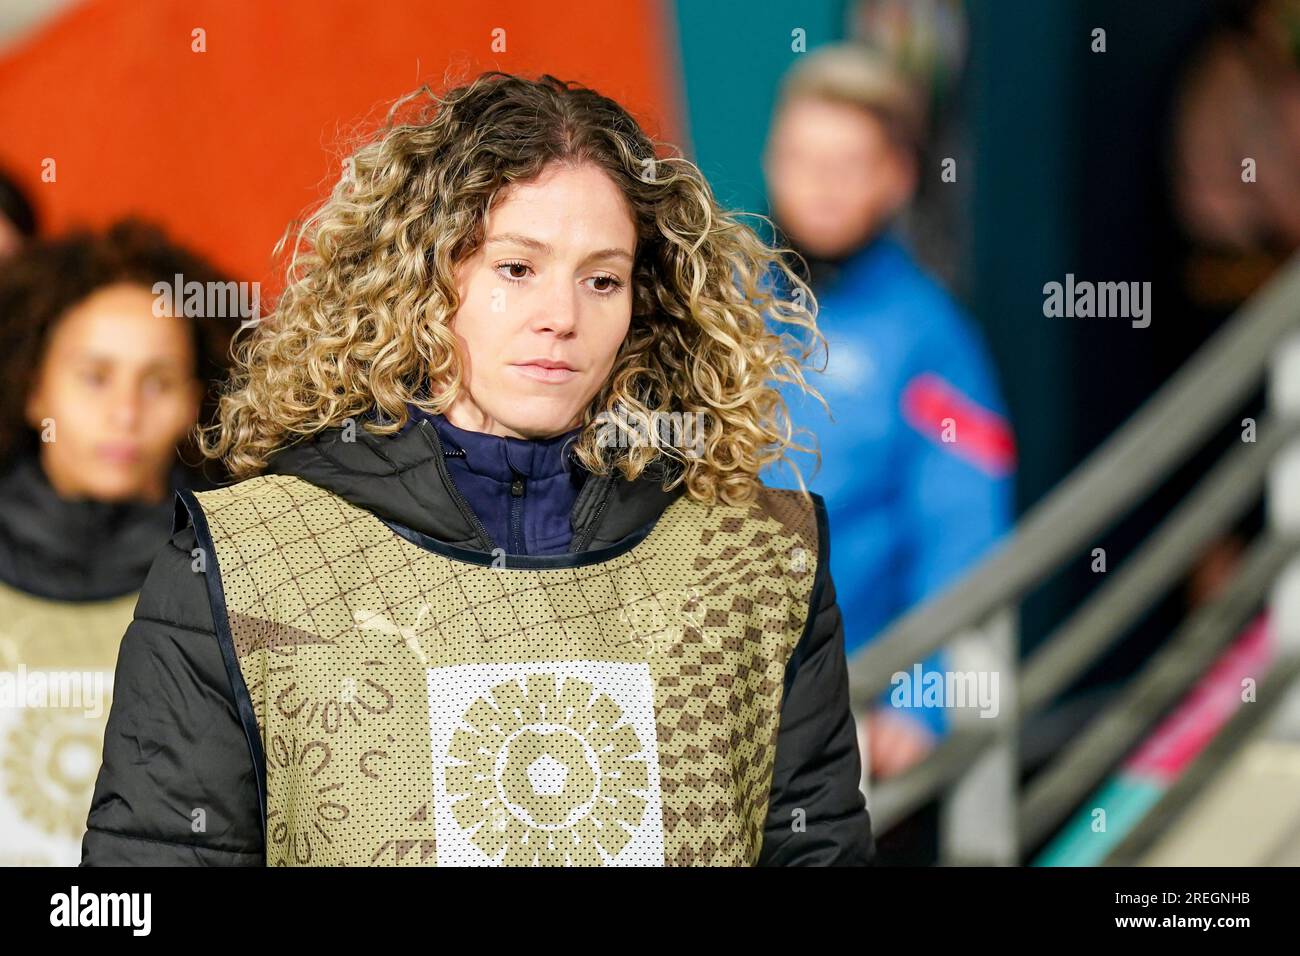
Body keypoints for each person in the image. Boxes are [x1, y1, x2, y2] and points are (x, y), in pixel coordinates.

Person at [81, 72, 873, 867]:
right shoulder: (245, 561)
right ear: (426, 277)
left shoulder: (759, 564)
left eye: (602, 279)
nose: (561, 317)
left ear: (644, 300)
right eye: (517, 269)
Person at [761, 44, 1015, 780]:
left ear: (896, 175)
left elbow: (964, 529)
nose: (819, 184)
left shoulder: (932, 337)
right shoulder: (724, 301)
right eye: (801, 157)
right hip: (718, 694)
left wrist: (925, 693)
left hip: (853, 711)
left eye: (846, 164)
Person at [0, 219, 234, 865]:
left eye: (158, 381)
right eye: (96, 376)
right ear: (33, 386)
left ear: (195, 401)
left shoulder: (237, 574)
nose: (126, 413)